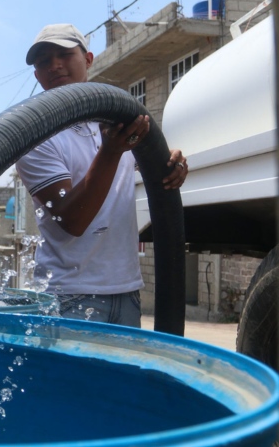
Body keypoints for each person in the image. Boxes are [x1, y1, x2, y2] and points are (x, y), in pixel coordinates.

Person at [15, 23, 188, 328]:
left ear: (89, 59)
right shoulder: (35, 137)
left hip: (127, 292)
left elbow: (151, 166)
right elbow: (72, 220)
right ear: (37, 75)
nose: (54, 64)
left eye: (64, 54)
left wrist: (171, 166)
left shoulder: (117, 121)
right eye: (44, 61)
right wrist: (109, 153)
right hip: (68, 297)